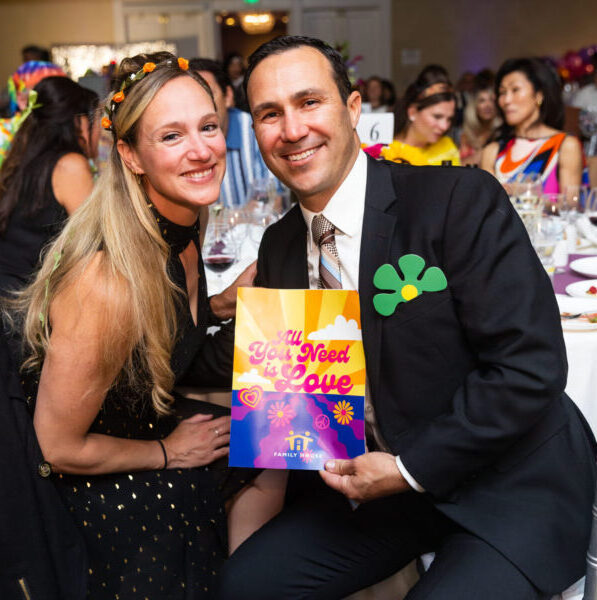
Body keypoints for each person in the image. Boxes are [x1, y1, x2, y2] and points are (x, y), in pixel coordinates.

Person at [217, 35, 597, 600]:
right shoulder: (280, 244)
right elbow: (298, 393)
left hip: (509, 478)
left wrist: (408, 469)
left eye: (309, 102)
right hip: (382, 492)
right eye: (270, 114)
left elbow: (529, 366)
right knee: (245, 585)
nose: (292, 130)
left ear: (352, 109)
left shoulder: (455, 199)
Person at [9, 53, 284, 599]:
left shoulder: (183, 221)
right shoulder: (107, 279)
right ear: (131, 155)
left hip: (143, 420)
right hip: (87, 475)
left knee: (275, 442)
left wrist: (222, 304)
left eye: (208, 127)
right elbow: (56, 446)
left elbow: (165, 331)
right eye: (171, 136)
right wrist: (168, 452)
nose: (201, 150)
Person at [0, 76, 98, 298]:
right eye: (97, 121)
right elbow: (92, 243)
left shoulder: (24, 158)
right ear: (80, 122)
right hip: (17, 301)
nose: (100, 132)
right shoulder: (70, 165)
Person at [189, 58, 281, 208]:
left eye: (208, 93)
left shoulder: (255, 131)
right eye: (190, 98)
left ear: (228, 97)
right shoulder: (180, 144)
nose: (198, 105)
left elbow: (274, 200)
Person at [481, 57, 583, 193]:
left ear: (539, 95)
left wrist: (523, 193)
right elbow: (486, 201)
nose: (506, 100)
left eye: (515, 90)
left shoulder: (565, 145)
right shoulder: (493, 151)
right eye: (502, 92)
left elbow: (570, 202)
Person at [382, 65, 461, 166]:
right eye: (437, 116)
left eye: (449, 119)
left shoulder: (446, 148)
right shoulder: (386, 151)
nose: (444, 126)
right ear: (412, 113)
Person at [0, 60, 67, 166]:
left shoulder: (69, 130)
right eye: (46, 95)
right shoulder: (3, 135)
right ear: (21, 99)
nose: (57, 102)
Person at [459, 74, 501, 166]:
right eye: (482, 101)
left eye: (491, 100)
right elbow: (459, 165)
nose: (488, 105)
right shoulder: (466, 135)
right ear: (474, 106)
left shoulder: (501, 132)